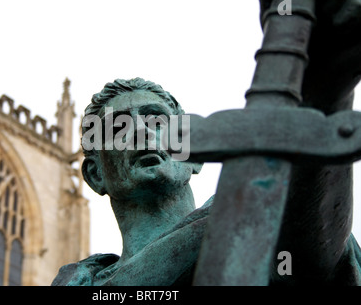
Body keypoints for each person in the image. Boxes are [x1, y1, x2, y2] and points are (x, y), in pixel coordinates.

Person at [51, 78, 361, 286]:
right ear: (95, 174)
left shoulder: (265, 222)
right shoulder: (83, 279)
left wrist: (329, 88)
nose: (142, 132)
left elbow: (317, 248)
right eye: (118, 130)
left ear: (195, 155)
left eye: (157, 121)